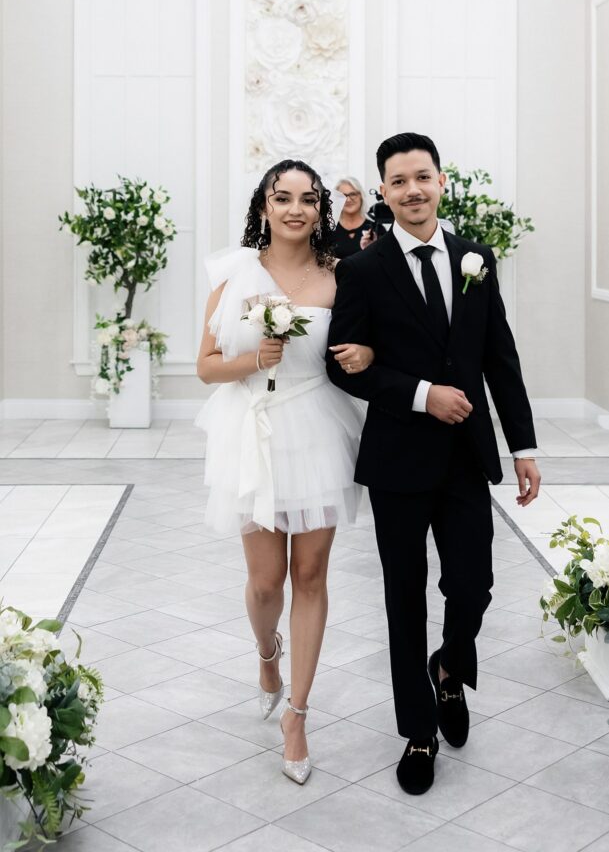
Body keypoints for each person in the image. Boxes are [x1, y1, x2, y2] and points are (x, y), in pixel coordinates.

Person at [326, 132, 541, 796]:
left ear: (441, 182)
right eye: (398, 180)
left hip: (466, 458)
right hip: (396, 458)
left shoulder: (476, 257)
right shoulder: (360, 272)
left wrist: (524, 445)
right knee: (402, 599)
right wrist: (421, 395)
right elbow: (345, 365)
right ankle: (417, 733)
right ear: (383, 192)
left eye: (423, 176)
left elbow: (497, 356)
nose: (412, 190)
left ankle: (448, 667)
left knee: (472, 584)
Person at [196, 159, 373, 786]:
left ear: (320, 208)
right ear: (264, 205)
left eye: (307, 198)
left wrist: (369, 351)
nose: (295, 208)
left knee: (311, 573)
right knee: (267, 582)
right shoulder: (235, 273)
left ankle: (297, 714)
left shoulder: (339, 276)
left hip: (317, 428)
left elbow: (365, 339)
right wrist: (252, 357)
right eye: (282, 197)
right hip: (254, 430)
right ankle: (267, 656)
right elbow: (206, 366)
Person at [332, 176, 374, 257]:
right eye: (343, 195)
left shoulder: (375, 229)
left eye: (353, 194)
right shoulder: (328, 230)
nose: (348, 199)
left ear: (361, 196)